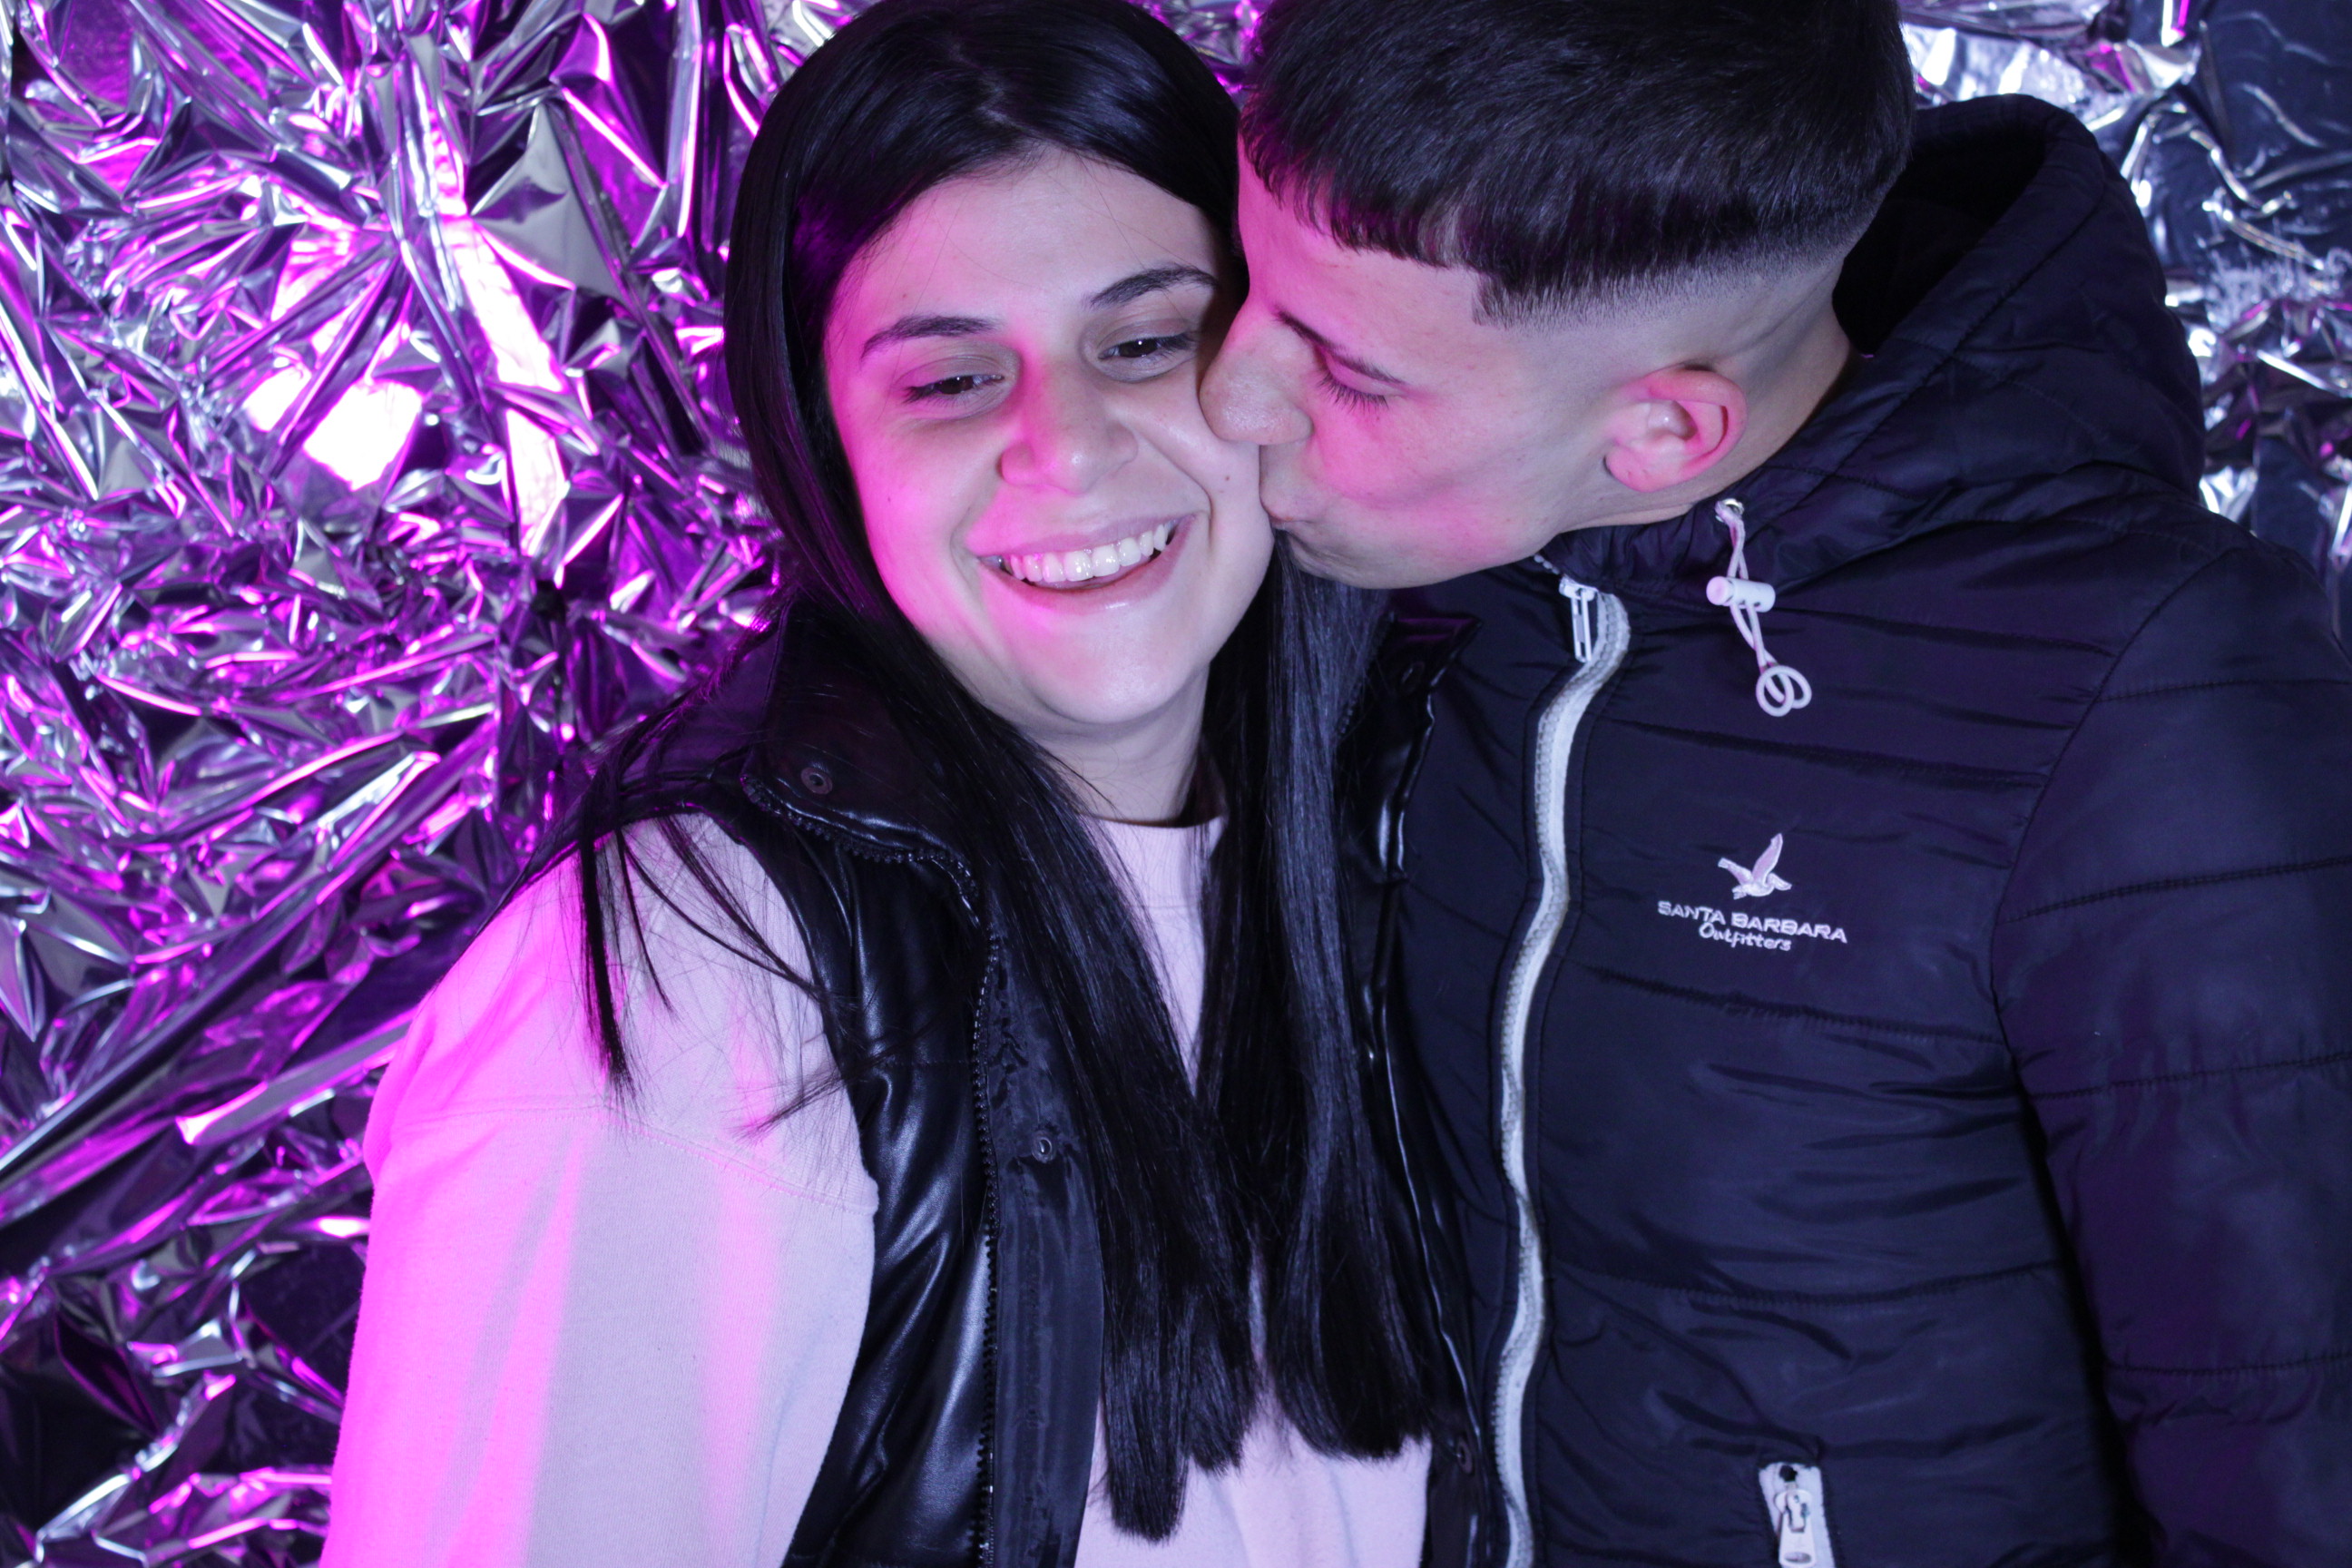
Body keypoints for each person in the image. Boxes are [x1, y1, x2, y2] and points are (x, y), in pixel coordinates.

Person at [1200, 0, 2352, 1563]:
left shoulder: (2148, 693)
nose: (1228, 397)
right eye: (1253, 282)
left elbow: (2294, 1436)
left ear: (1666, 432)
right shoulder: (1421, 578)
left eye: (1344, 367)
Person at [323, 2, 1475, 1563]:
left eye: (1144, 343)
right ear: (827, 450)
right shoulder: (692, 986)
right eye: (949, 382)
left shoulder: (1417, 862)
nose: (1067, 447)